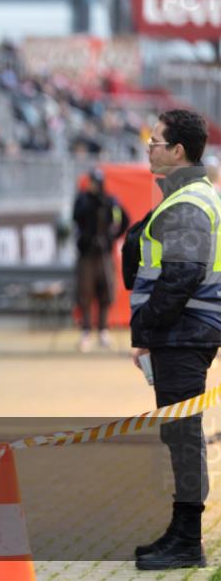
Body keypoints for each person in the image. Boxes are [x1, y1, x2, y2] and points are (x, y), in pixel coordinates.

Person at [126, 109, 219, 571]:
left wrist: (147, 329)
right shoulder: (186, 196)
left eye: (155, 140)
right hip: (183, 332)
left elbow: (181, 275)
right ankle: (182, 531)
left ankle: (187, 539)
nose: (149, 147)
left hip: (183, 333)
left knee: (182, 436)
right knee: (178, 433)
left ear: (177, 150)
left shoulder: (187, 202)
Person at [72, 168, 128, 352]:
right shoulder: (82, 200)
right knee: (85, 291)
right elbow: (76, 218)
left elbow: (123, 219)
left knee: (106, 290)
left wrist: (112, 237)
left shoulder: (110, 201)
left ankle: (103, 329)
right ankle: (86, 330)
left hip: (104, 252)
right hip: (87, 253)